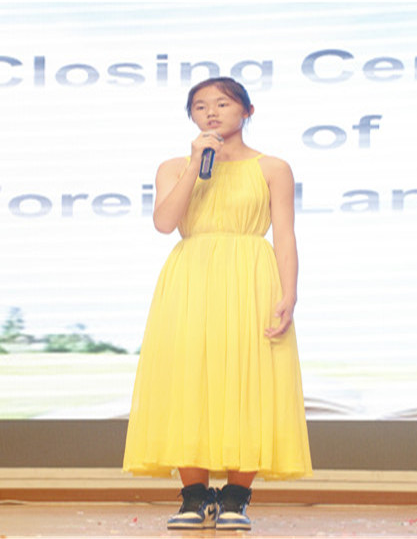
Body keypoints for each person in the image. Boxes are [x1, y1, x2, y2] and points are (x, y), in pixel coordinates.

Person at [123, 77, 313, 531]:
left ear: (247, 110)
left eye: (223, 103)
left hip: (250, 276)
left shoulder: (273, 167)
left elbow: (285, 235)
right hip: (191, 278)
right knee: (188, 380)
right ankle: (194, 497)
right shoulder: (174, 166)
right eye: (200, 106)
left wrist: (289, 293)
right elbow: (165, 222)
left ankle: (235, 498)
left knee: (249, 379)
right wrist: (195, 164)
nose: (211, 112)